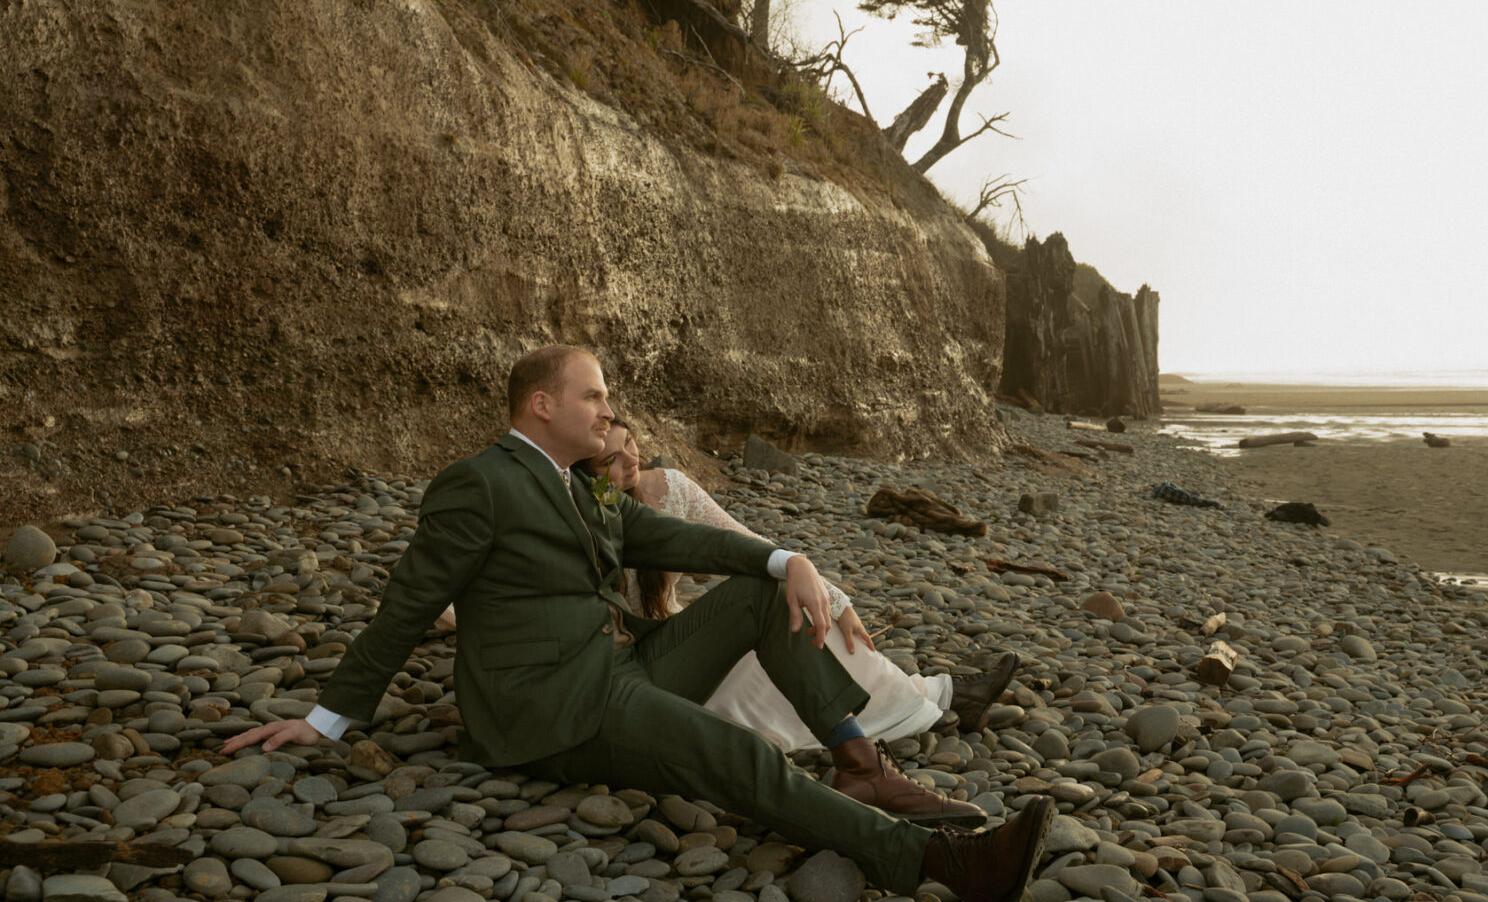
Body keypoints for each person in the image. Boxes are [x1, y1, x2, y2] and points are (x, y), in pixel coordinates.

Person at [221, 346, 1054, 902]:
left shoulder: (582, 486)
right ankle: (937, 867)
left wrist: (784, 559)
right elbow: (405, 605)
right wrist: (326, 720)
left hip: (613, 673)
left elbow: (669, 536)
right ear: (541, 404)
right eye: (593, 396)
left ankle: (859, 762)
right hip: (548, 710)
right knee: (737, 754)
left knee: (762, 595)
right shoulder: (479, 483)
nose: (606, 411)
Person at [588, 418, 1018, 756]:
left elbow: (750, 545)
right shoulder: (585, 516)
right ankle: (937, 701)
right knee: (761, 673)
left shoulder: (669, 487)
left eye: (631, 443)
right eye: (612, 459)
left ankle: (943, 695)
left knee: (808, 621)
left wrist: (835, 600)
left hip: (685, 631)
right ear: (588, 474)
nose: (630, 459)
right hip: (651, 669)